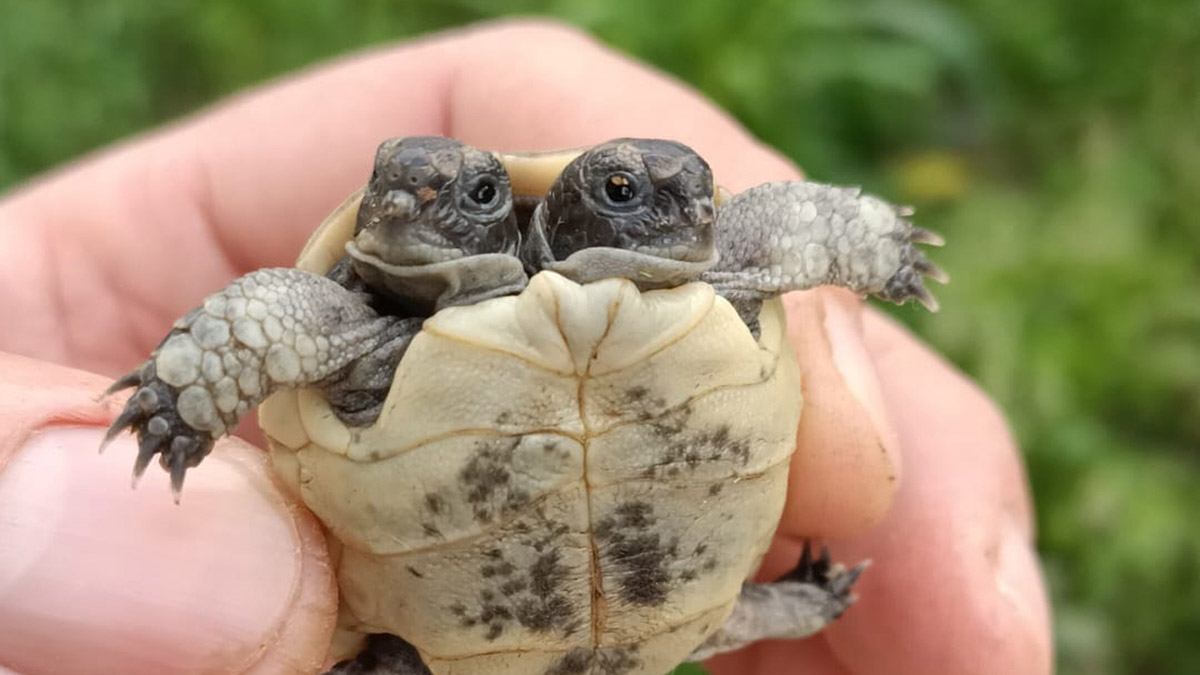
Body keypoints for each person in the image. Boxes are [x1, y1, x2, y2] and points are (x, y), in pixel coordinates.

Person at [0, 20, 1051, 675]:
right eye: (629, 195)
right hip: (429, 645)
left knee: (704, 619)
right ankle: (779, 610)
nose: (674, 213)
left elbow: (779, 222)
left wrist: (869, 241)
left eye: (671, 197)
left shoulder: (715, 265)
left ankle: (778, 609)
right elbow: (264, 316)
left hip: (658, 617)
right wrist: (183, 393)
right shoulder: (363, 322)